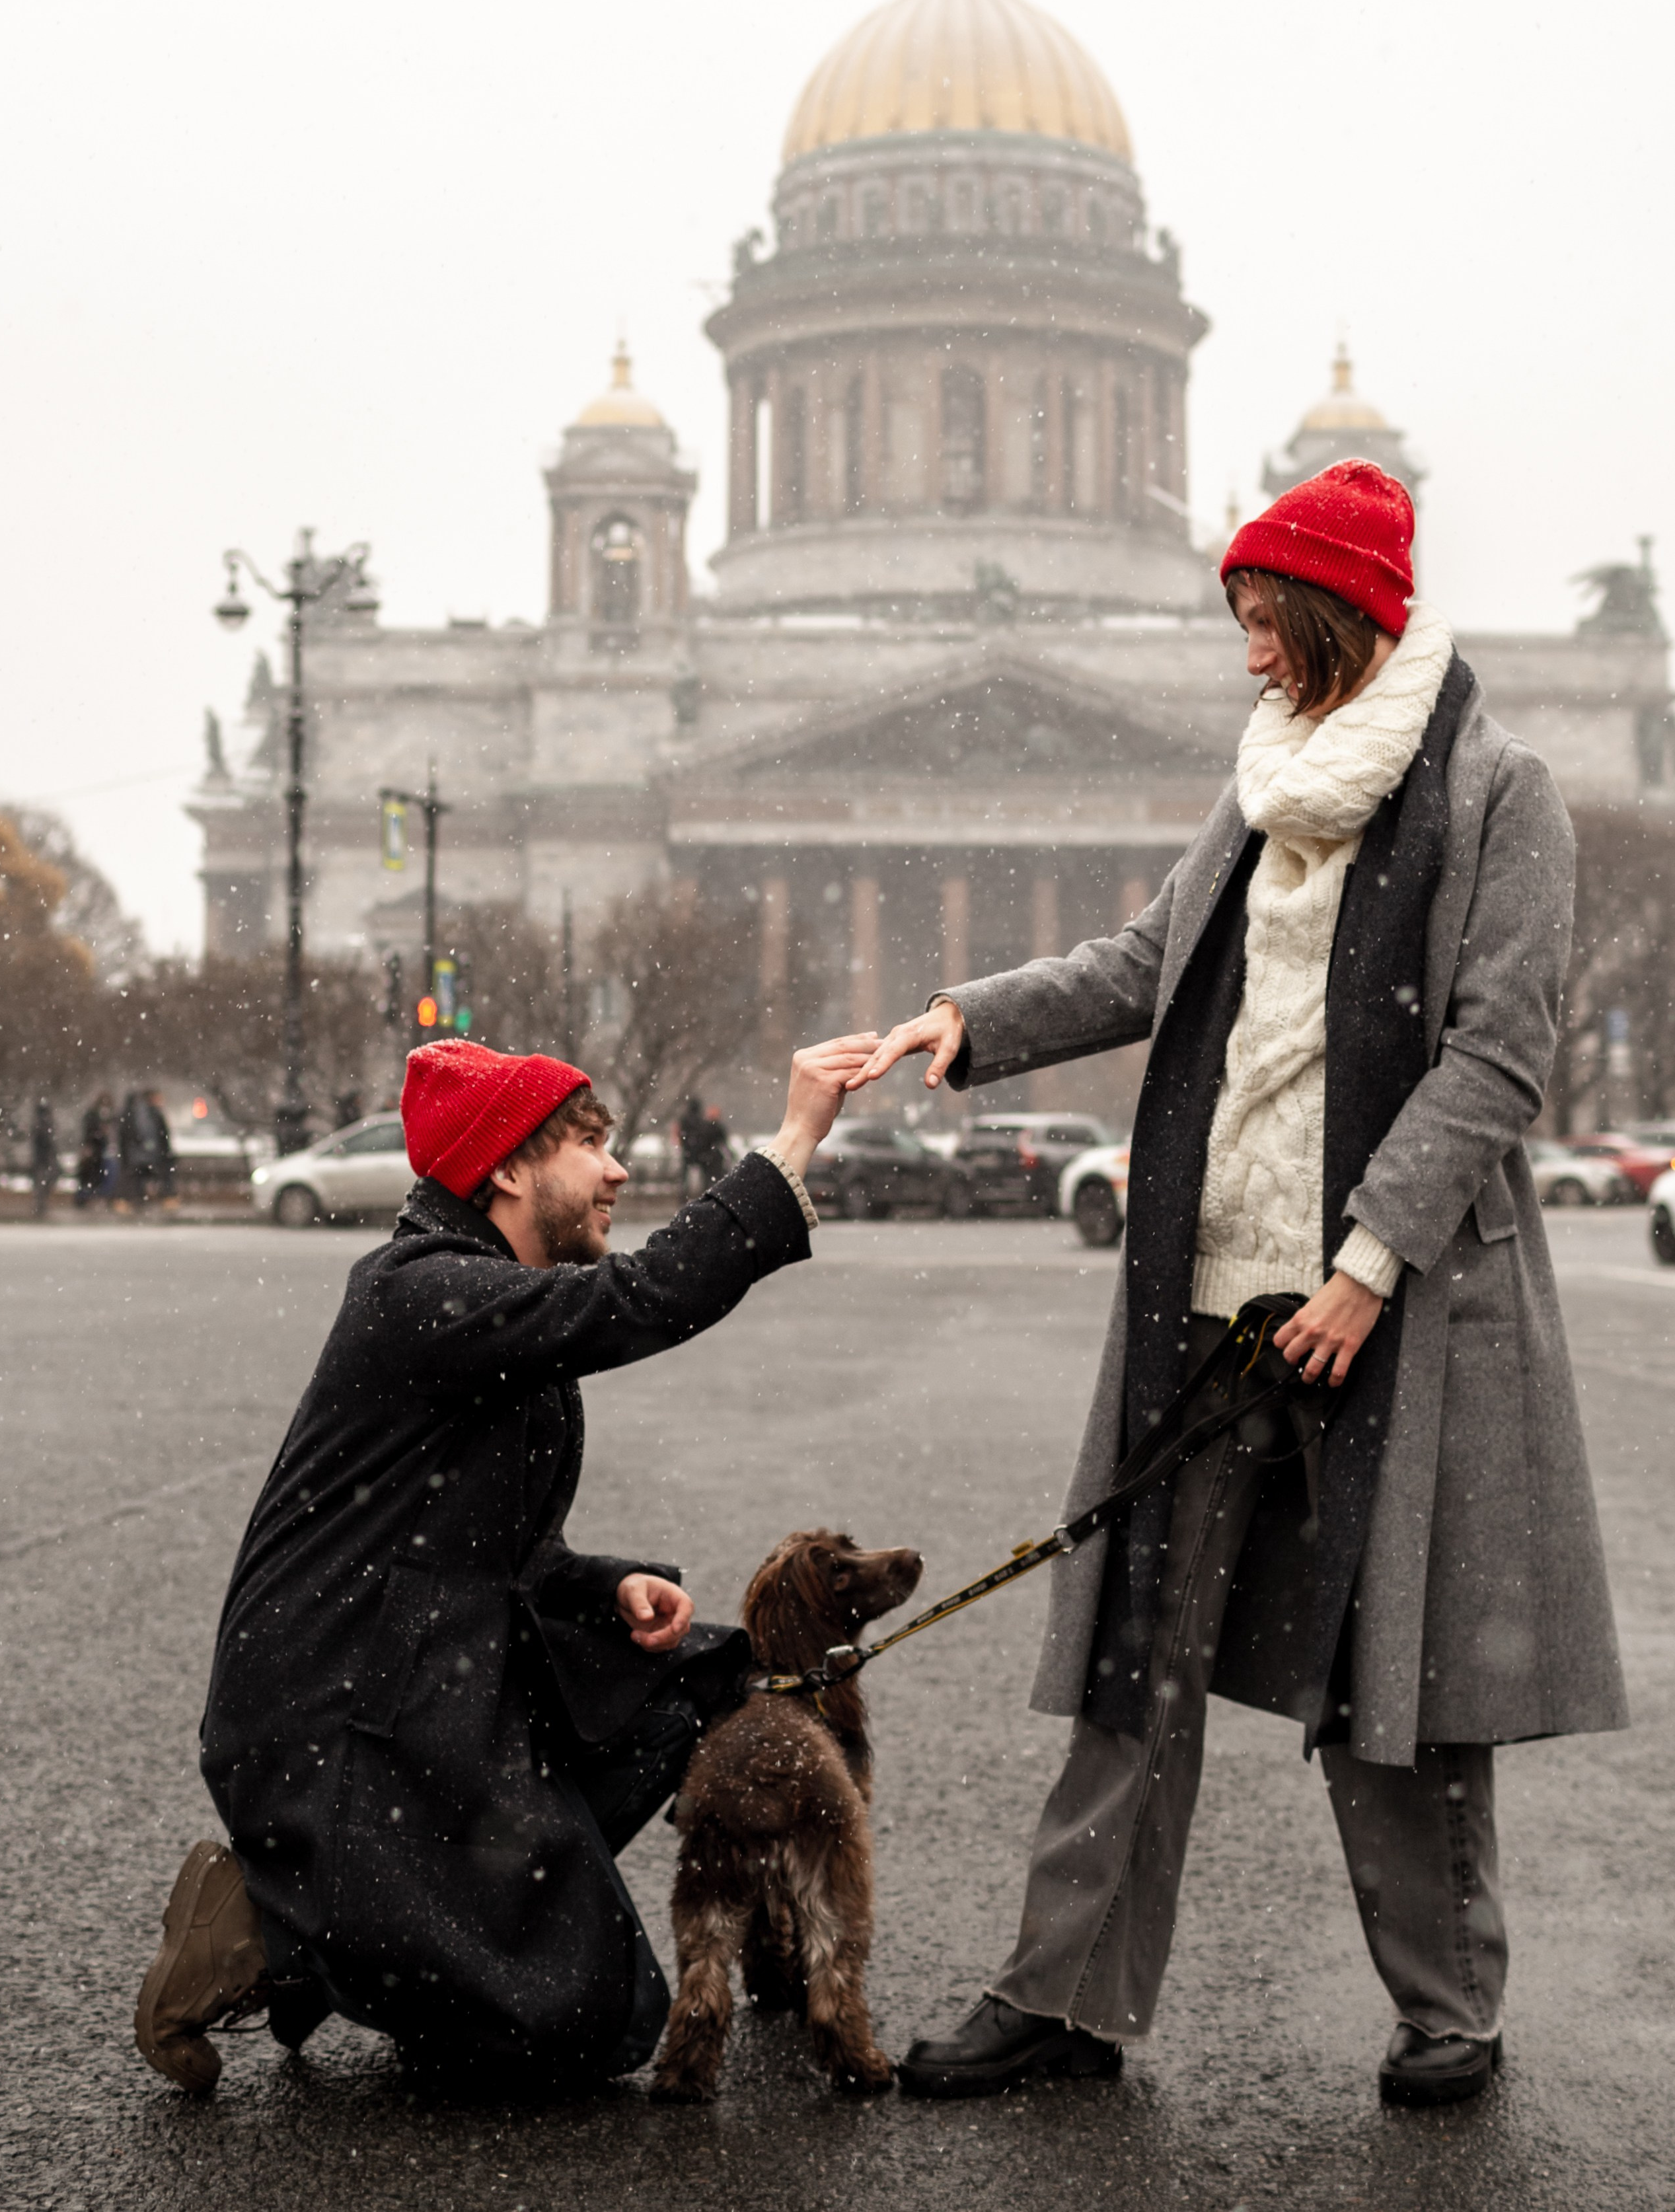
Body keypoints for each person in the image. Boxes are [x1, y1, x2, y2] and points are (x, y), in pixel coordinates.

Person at [851, 459, 1626, 2110]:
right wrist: (968, 1020)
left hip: (1385, 1308)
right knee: (1137, 1649)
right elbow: (1142, 965)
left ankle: (1444, 2012)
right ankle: (1059, 1999)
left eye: (1264, 621)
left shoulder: (1502, 793)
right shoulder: (1264, 784)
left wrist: (1361, 1265)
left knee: (1387, 1675)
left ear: (1339, 615)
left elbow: (1495, 1059)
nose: (1245, 655)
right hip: (1204, 1293)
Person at [134, 1026, 876, 2100]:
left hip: (424, 1672)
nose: (618, 1166)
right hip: (338, 1712)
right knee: (590, 2022)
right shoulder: (420, 1289)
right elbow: (648, 1294)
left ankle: (412, 1928)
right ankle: (280, 1926)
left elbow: (489, 1545)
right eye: (588, 1142)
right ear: (511, 1167)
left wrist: (605, 1581)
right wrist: (794, 1138)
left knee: (701, 1676)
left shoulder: (489, 1298)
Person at [117, 1087, 175, 1212]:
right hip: (145, 1155)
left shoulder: (139, 1112)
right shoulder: (147, 1113)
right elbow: (151, 1135)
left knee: (136, 1179)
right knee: (150, 1177)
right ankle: (164, 1199)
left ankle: (133, 1202)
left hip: (137, 1155)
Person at [75, 1091, 118, 1208]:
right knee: (91, 1176)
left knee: (100, 1177)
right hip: (95, 1152)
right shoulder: (93, 1116)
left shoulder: (108, 1117)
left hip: (101, 1152)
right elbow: (89, 1133)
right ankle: (87, 1199)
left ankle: (94, 1198)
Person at [30, 1096, 58, 1219]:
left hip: (43, 1157)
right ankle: (41, 1205)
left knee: (43, 1181)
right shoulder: (43, 1123)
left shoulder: (42, 1123)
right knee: (43, 1181)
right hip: (43, 1157)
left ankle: (41, 1204)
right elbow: (46, 1141)